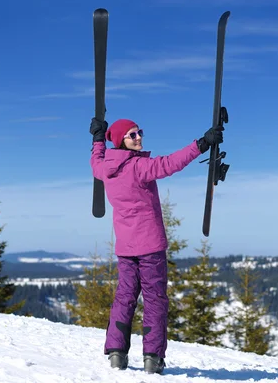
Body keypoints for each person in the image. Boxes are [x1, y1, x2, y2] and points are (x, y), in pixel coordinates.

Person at [89, 117, 223, 374]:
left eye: (139, 132)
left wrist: (97, 140)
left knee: (125, 297)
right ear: (122, 142)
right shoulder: (139, 167)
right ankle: (152, 358)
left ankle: (116, 354)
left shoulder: (105, 168)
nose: (139, 137)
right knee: (155, 300)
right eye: (132, 135)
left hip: (126, 248)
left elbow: (95, 161)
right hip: (150, 247)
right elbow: (171, 163)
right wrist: (203, 143)